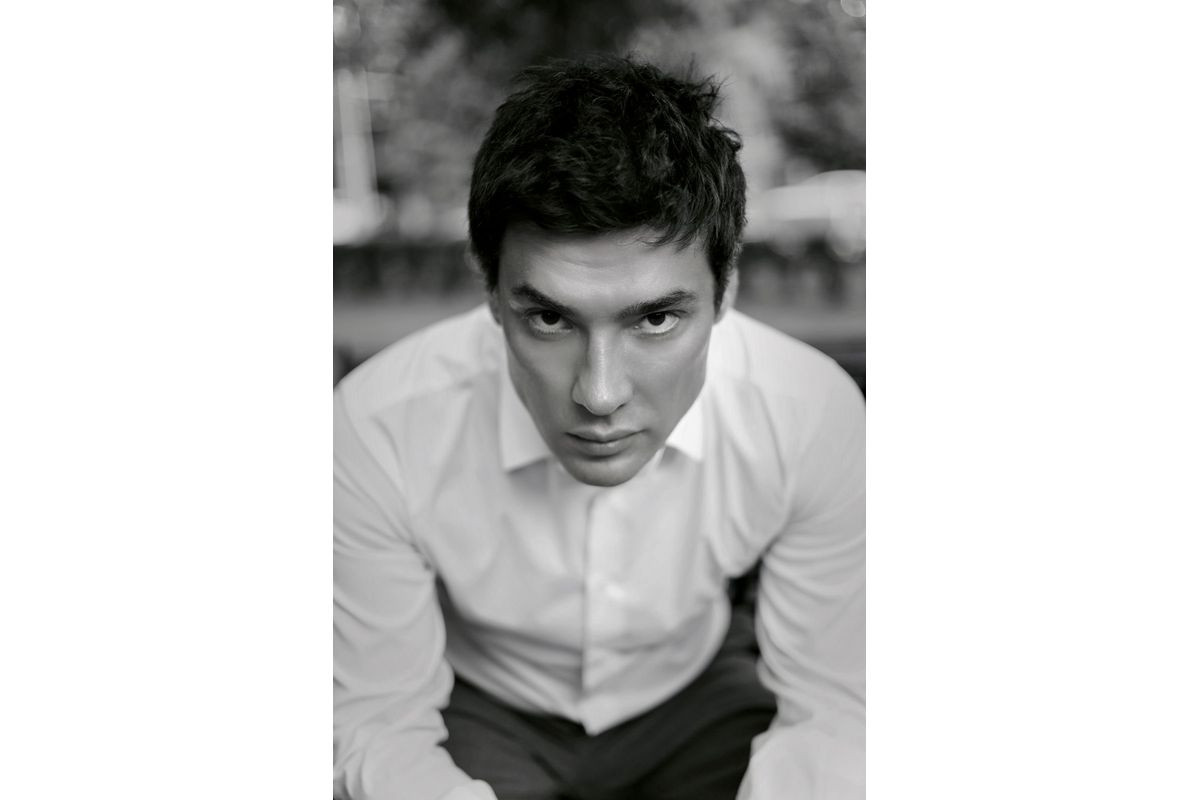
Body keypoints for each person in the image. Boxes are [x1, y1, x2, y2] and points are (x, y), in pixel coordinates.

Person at [333, 56, 865, 800]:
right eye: (550, 319)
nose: (600, 394)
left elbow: (835, 709)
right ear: (491, 293)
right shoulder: (376, 426)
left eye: (657, 318)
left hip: (696, 701)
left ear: (726, 292)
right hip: (482, 707)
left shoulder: (809, 414)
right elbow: (376, 724)